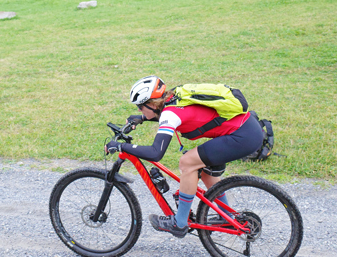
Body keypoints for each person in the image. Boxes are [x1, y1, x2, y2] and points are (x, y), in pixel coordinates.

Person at [105, 76, 265, 238]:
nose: (139, 110)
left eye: (140, 107)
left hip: (242, 137)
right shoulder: (175, 96)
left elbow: (156, 153)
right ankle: (227, 217)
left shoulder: (170, 114)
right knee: (205, 172)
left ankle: (179, 223)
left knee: (187, 162)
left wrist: (120, 146)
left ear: (152, 104)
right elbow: (186, 115)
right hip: (246, 129)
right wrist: (143, 118)